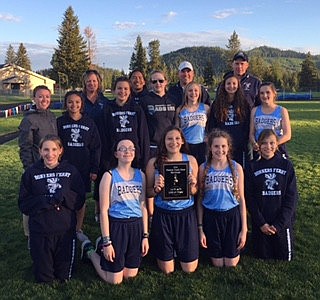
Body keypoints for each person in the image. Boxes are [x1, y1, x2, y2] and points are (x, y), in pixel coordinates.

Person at [80, 139, 149, 284]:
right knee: (114, 280)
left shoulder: (140, 175)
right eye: (122, 149)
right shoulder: (109, 176)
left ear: (135, 152)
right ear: (116, 154)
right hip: (117, 226)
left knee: (130, 275)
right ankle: (90, 250)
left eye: (131, 148)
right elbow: (104, 211)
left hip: (136, 226)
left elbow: (143, 206)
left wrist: (145, 236)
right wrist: (107, 242)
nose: (127, 151)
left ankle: (101, 245)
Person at [18, 134, 85, 283]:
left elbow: (80, 200)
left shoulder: (70, 171)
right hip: (41, 232)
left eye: (54, 149)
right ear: (40, 151)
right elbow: (24, 204)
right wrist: (47, 200)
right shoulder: (31, 173)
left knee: (64, 276)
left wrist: (63, 196)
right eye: (46, 150)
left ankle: (83, 249)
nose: (50, 154)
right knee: (44, 278)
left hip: (65, 231)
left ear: (60, 150)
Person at [145, 125, 198, 274]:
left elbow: (195, 191)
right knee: (167, 270)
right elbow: (148, 193)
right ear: (164, 141)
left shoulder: (191, 160)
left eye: (177, 138)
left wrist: (192, 185)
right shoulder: (154, 163)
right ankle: (169, 249)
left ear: (182, 141)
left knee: (189, 269)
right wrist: (156, 188)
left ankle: (179, 248)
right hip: (163, 214)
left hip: (186, 214)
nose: (173, 142)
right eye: (169, 138)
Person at [245, 129, 298, 260]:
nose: (268, 147)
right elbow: (250, 198)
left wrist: (279, 224)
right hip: (262, 222)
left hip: (281, 221)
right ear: (258, 144)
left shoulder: (286, 165)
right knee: (262, 256)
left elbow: (292, 198)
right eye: (264, 143)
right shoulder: (252, 166)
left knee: (284, 257)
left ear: (277, 144)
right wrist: (261, 223)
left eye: (272, 143)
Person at [197, 129, 247, 267]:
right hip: (211, 216)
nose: (220, 150)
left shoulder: (237, 168)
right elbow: (200, 200)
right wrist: (200, 229)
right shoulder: (203, 168)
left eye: (223, 146)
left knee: (231, 263)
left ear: (228, 147)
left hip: (231, 215)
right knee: (218, 263)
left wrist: (244, 229)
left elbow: (242, 199)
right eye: (216, 146)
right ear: (210, 148)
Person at [18, 85, 57, 248]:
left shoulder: (52, 116)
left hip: (52, 165)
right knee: (32, 202)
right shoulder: (28, 120)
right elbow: (25, 146)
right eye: (40, 97)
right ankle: (29, 235)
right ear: (34, 99)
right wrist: (29, 169)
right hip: (36, 167)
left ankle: (47, 229)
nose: (44, 100)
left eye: (47, 97)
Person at [57, 90, 101, 236]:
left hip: (83, 167)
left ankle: (78, 228)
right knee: (63, 196)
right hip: (64, 166)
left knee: (80, 199)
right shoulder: (60, 122)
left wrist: (94, 169)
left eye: (77, 102)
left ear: (82, 104)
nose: (73, 105)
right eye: (70, 102)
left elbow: (96, 147)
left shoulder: (89, 122)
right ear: (66, 104)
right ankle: (64, 224)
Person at [98, 76, 150, 174]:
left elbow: (143, 136)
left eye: (126, 89)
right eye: (119, 88)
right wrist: (105, 161)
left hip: (134, 159)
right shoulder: (107, 109)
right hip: (112, 160)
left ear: (130, 91)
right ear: (114, 91)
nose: (122, 91)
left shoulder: (137, 109)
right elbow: (103, 137)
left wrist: (144, 160)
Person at [82, 69, 109, 223]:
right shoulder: (80, 101)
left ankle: (99, 209)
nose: (91, 83)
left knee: (100, 178)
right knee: (82, 178)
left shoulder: (104, 102)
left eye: (94, 81)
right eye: (89, 81)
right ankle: (79, 208)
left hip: (102, 145)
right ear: (84, 83)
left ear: (98, 83)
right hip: (83, 145)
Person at [207, 74, 251, 167]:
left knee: (239, 170)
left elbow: (247, 124)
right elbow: (212, 124)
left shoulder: (244, 103)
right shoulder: (217, 103)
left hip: (240, 145)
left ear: (238, 85)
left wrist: (243, 139)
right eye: (228, 83)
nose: (231, 86)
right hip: (222, 145)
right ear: (224, 85)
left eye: (234, 83)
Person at [249, 82, 291, 158]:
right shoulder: (254, 111)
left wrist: (272, 145)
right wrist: (254, 143)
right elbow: (251, 133)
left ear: (274, 93)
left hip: (277, 150)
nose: (265, 95)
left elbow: (287, 135)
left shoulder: (282, 110)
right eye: (262, 93)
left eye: (268, 92)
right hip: (260, 151)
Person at [140, 70, 176, 159]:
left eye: (161, 81)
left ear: (166, 82)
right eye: (154, 81)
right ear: (150, 84)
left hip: (170, 145)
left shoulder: (173, 100)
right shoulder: (145, 100)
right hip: (153, 146)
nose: (158, 83)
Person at [175, 81, 210, 165]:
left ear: (199, 92)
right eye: (190, 90)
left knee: (202, 170)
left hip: (202, 144)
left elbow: (210, 126)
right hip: (186, 145)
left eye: (196, 90)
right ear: (186, 93)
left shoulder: (206, 108)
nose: (193, 93)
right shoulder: (180, 110)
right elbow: (177, 129)